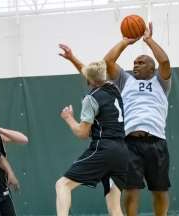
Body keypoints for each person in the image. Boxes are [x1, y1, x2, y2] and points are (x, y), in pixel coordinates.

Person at [59, 22, 171, 216]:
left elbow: (165, 62)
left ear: (152, 68)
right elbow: (107, 63)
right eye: (134, 63)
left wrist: (149, 40)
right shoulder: (125, 81)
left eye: (141, 62)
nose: (135, 65)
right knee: (130, 190)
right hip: (129, 142)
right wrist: (125, 42)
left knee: (160, 190)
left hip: (156, 140)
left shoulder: (161, 82)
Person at [55, 61, 129, 216]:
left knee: (62, 185)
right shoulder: (114, 88)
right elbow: (92, 74)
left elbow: (82, 133)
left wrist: (68, 118)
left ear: (88, 80)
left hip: (105, 148)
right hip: (122, 151)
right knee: (114, 206)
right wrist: (71, 57)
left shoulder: (91, 98)